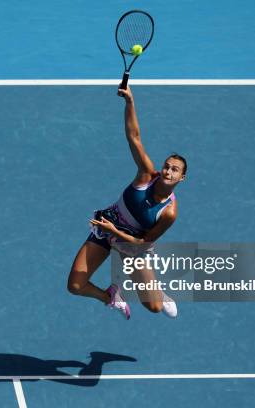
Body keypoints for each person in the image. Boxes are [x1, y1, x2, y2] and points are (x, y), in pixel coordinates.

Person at [67, 85, 186, 320]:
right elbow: (134, 137)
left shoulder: (169, 212)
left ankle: (161, 294)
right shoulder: (145, 175)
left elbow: (142, 243)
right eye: (166, 166)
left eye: (175, 170)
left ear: (182, 177)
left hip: (131, 244)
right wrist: (130, 102)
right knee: (75, 286)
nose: (168, 171)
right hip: (107, 226)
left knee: (153, 307)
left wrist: (115, 233)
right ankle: (111, 296)